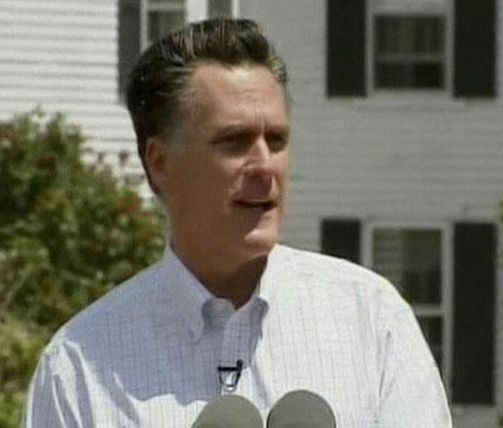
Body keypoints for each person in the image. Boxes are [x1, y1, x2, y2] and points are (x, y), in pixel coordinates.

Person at [23, 18, 452, 427]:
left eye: (276, 140)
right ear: (160, 163)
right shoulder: (79, 367)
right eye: (234, 141)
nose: (265, 166)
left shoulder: (371, 319)